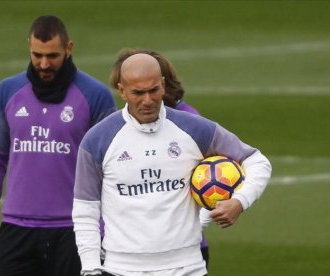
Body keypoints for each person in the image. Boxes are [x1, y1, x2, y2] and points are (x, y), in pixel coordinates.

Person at [72, 53, 271, 276]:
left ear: (163, 86)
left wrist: (239, 202)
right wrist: (90, 269)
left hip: (188, 269)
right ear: (122, 91)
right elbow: (85, 210)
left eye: (153, 90)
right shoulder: (98, 140)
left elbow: (257, 161)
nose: (147, 100)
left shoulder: (195, 129)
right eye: (138, 93)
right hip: (121, 269)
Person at [0, 15, 116, 276]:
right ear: (28, 45)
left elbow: (110, 171)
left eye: (52, 55)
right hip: (17, 229)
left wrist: (104, 234)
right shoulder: (8, 92)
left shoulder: (96, 97)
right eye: (37, 54)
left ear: (69, 49)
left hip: (74, 231)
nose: (44, 63)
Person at [109, 48, 210, 267]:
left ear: (162, 84)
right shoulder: (124, 126)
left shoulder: (190, 122)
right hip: (131, 252)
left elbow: (214, 181)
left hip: (184, 252)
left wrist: (197, 225)